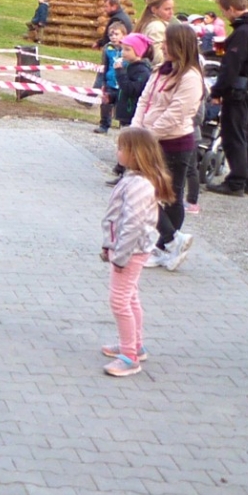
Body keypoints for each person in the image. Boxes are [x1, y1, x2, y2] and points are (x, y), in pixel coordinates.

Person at [135, 23, 205, 267]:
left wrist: (149, 135)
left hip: (174, 143)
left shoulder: (190, 77)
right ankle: (173, 241)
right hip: (149, 138)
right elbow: (144, 100)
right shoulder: (160, 71)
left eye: (167, 42)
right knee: (142, 193)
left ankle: (166, 245)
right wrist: (136, 130)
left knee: (168, 196)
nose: (162, 46)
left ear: (179, 45)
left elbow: (176, 113)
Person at [101, 127, 168, 377]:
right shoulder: (134, 179)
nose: (117, 152)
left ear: (135, 153)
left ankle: (129, 357)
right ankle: (134, 345)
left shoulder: (139, 185)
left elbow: (132, 224)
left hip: (130, 252)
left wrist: (120, 256)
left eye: (121, 148)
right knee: (129, 297)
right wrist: (108, 244)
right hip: (127, 249)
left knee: (119, 301)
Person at [206, 0, 248, 197]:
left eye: (224, 11)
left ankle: (236, 181)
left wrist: (217, 91)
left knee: (234, 134)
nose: (225, 16)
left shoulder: (243, 32)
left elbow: (231, 66)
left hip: (240, 89)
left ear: (232, 8)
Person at [114, 34, 153, 129]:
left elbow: (132, 90)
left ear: (138, 51)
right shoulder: (128, 66)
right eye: (122, 49)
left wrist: (120, 72)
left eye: (127, 50)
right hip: (125, 116)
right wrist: (111, 97)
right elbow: (123, 90)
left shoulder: (142, 71)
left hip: (133, 116)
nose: (123, 52)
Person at [95, 21, 127, 134]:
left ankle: (124, 127)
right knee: (106, 104)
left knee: (122, 107)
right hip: (110, 82)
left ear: (124, 35)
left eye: (116, 34)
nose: (113, 37)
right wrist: (103, 82)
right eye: (111, 35)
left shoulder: (127, 49)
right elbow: (105, 65)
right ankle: (104, 125)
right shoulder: (107, 48)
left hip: (123, 83)